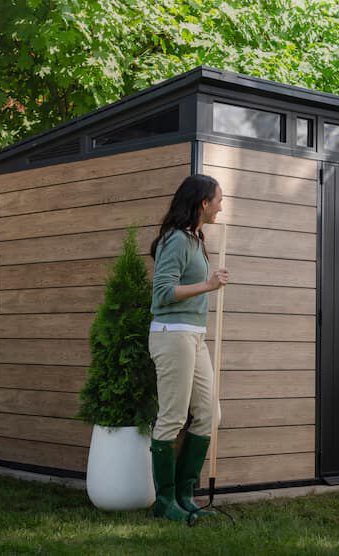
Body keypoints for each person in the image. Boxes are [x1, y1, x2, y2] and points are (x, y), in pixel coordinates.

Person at [148, 174, 228, 522]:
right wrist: (208, 285)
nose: (221, 206)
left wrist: (208, 285)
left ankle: (184, 495)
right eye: (218, 200)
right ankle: (164, 502)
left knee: (210, 414)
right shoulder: (176, 240)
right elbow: (163, 292)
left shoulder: (197, 239)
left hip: (194, 337)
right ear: (202, 203)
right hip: (172, 334)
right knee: (172, 418)